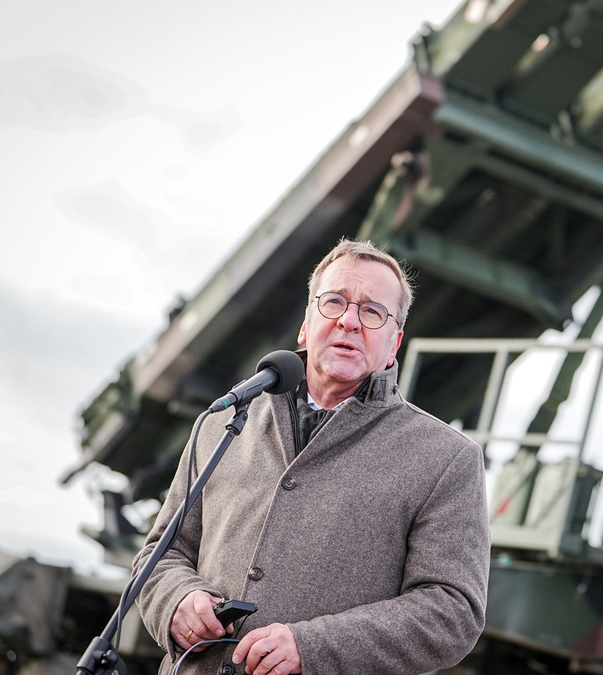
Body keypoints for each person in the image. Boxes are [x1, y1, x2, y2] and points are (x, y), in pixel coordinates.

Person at [134, 239, 491, 675]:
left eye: (372, 312)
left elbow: (452, 612)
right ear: (306, 325)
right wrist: (177, 600)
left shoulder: (447, 459)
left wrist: (315, 647)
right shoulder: (222, 423)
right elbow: (160, 555)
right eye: (334, 302)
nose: (348, 321)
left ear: (394, 343)